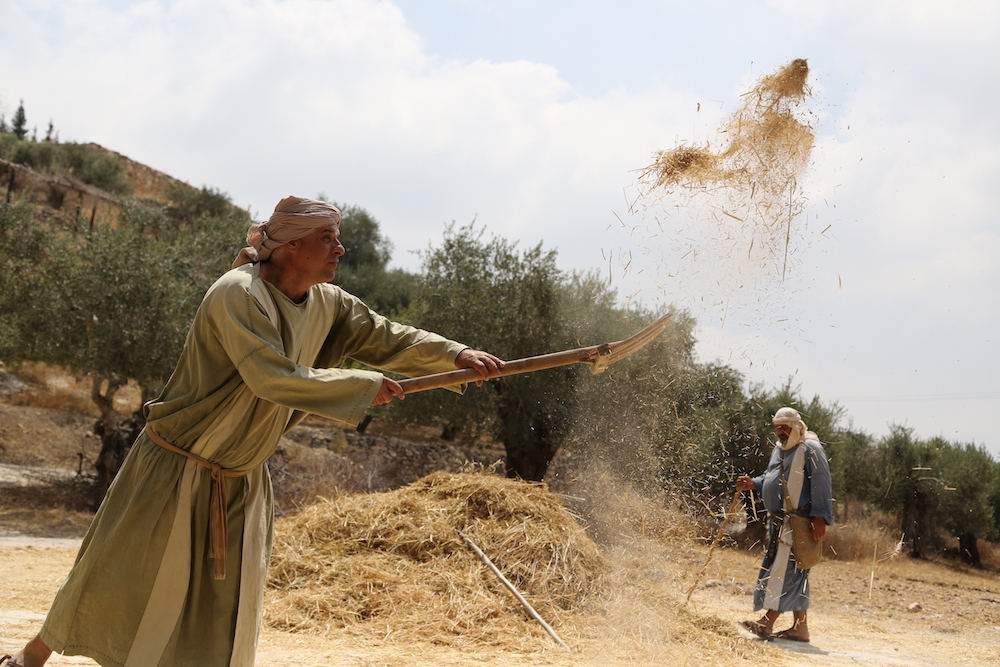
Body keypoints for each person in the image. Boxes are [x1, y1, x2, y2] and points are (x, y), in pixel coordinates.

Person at [1, 196, 504, 667]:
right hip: (175, 467)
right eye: (327, 237)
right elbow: (271, 377)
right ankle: (29, 660)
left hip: (240, 476)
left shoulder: (328, 304)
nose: (340, 248)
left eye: (338, 237)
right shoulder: (237, 295)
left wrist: (454, 354)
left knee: (226, 606)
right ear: (291, 246)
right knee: (115, 576)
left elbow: (387, 334)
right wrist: (360, 385)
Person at [736, 407, 832, 643]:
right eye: (777, 427)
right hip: (780, 522)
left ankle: (766, 623)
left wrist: (820, 517)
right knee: (797, 572)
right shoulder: (779, 450)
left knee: (787, 571)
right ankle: (800, 629)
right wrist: (754, 484)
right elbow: (772, 477)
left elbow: (822, 483)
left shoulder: (811, 448)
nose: (780, 431)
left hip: (799, 523)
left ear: (796, 426)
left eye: (785, 426)